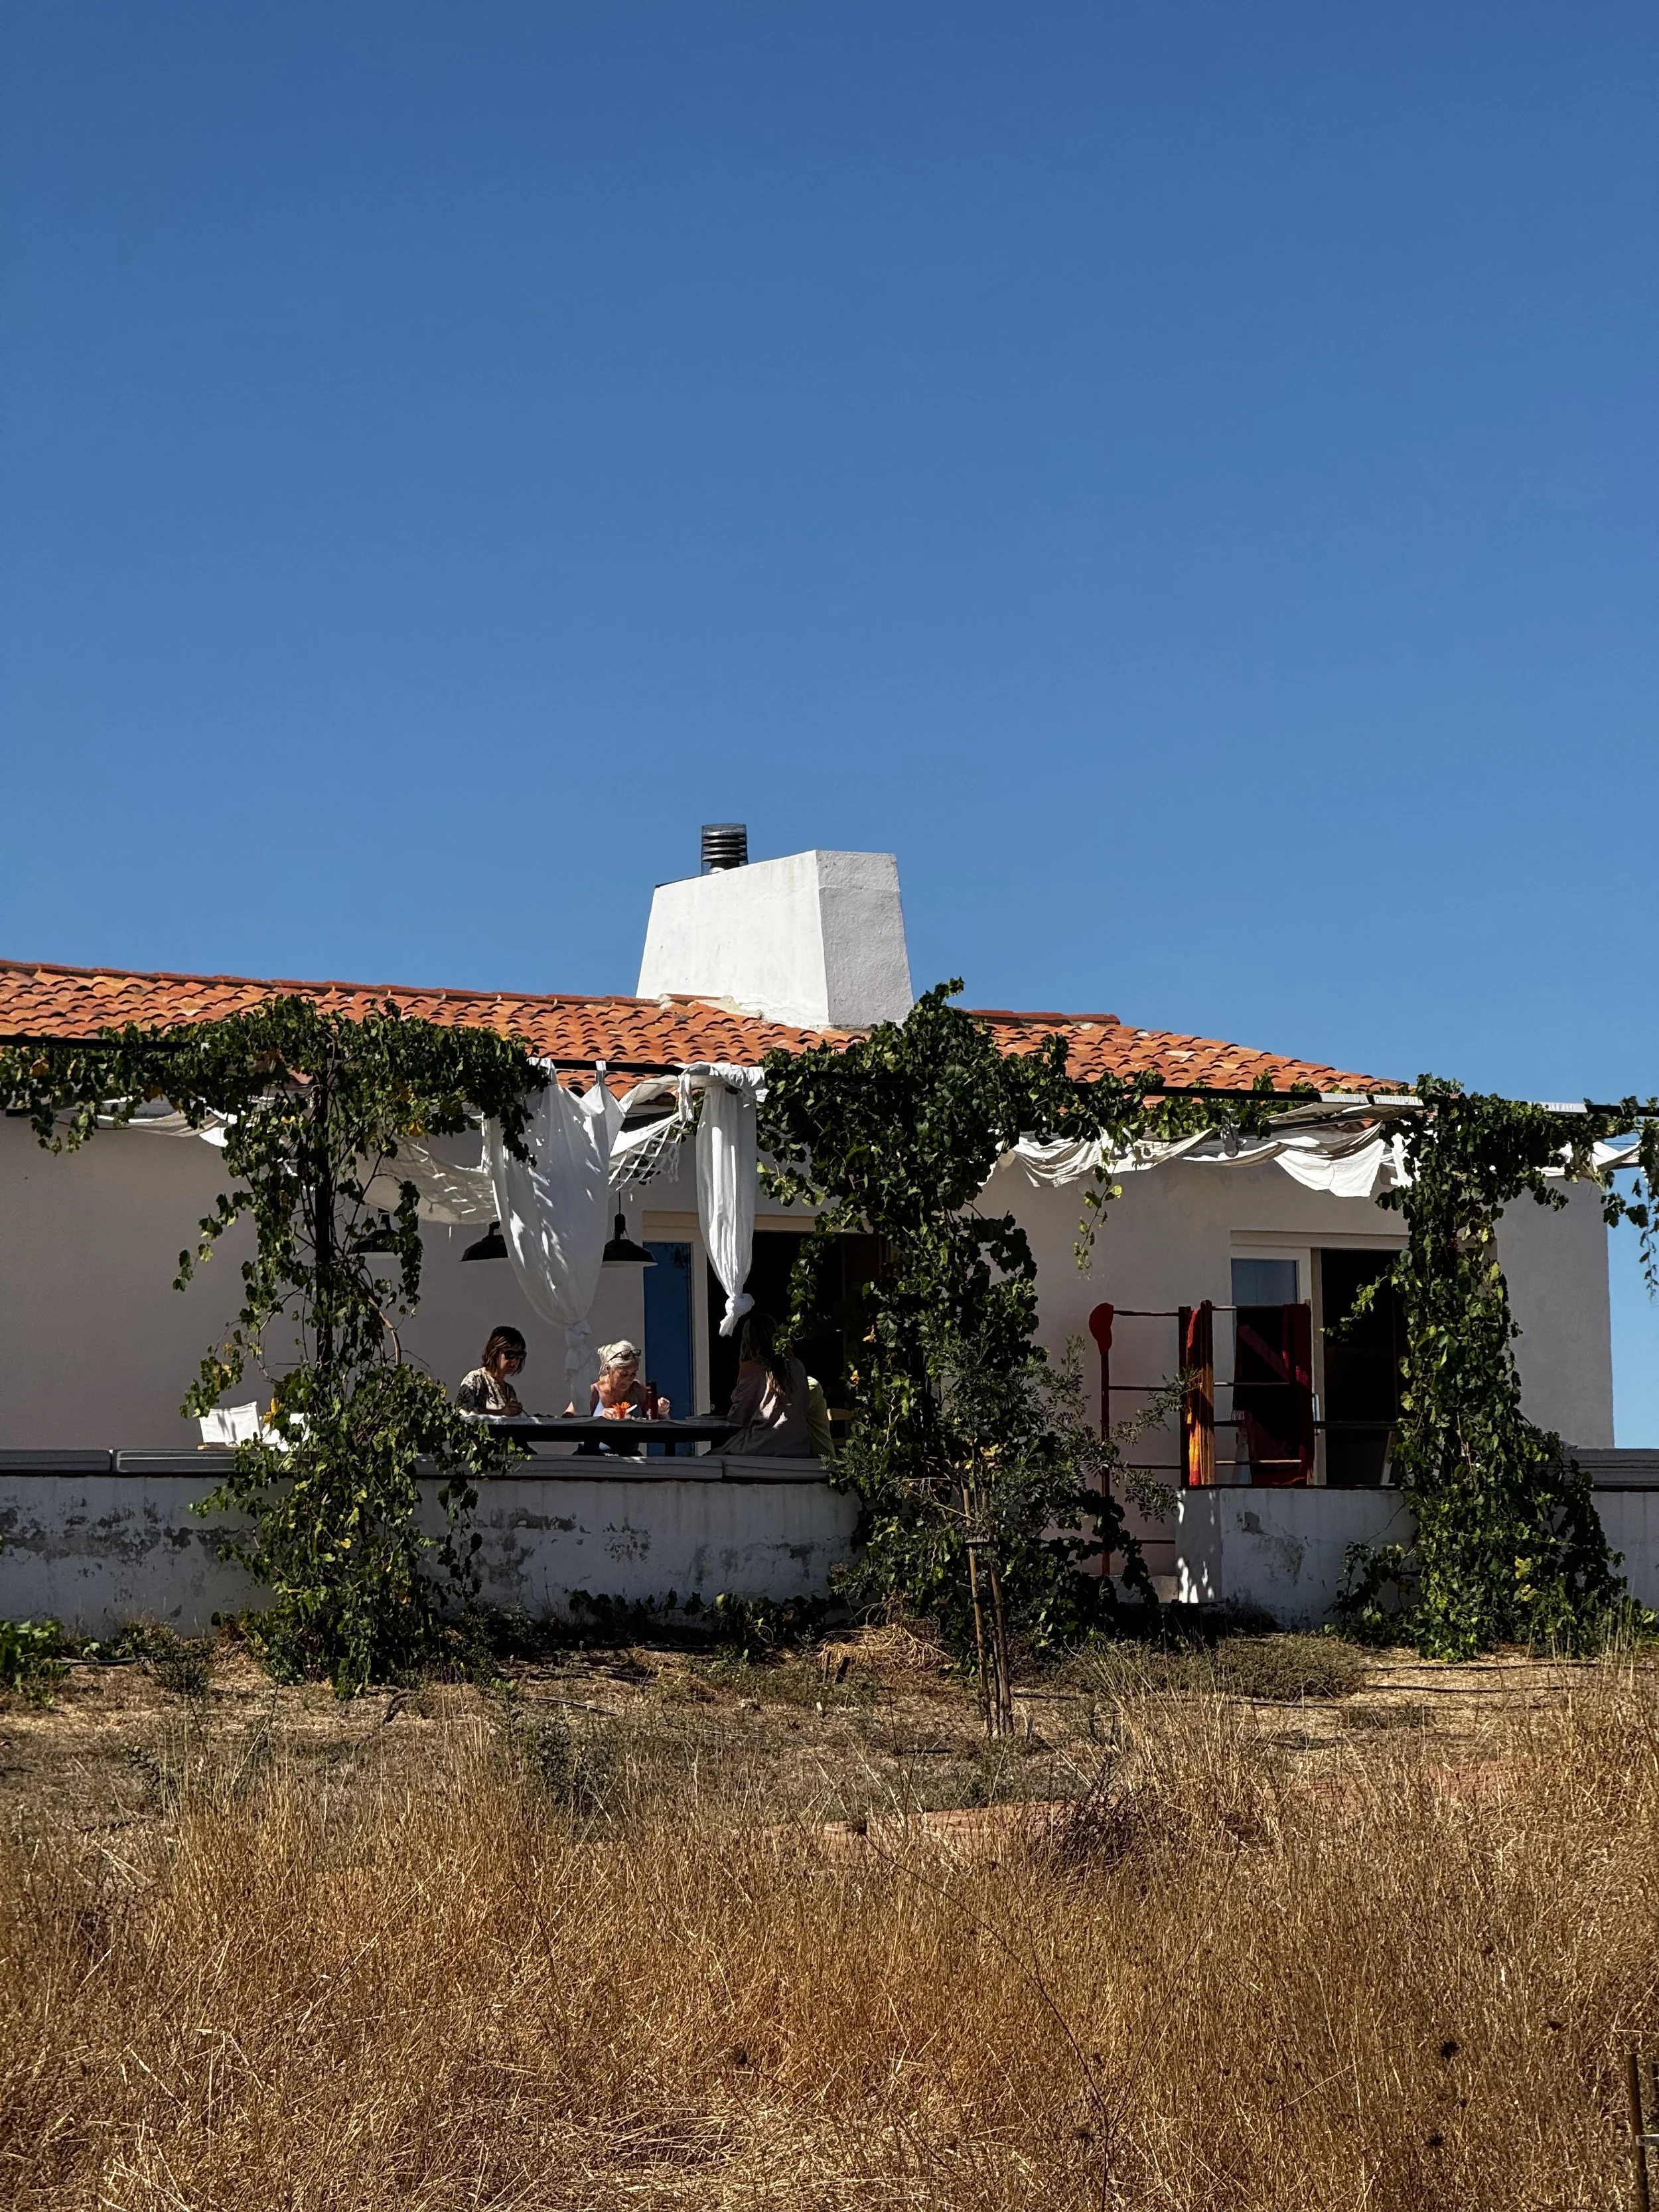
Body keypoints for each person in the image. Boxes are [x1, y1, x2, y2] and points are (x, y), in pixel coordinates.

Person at [722, 1311, 817, 1457]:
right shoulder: (797, 1365)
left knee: (709, 1459)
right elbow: (804, 1406)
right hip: (798, 1447)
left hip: (763, 1446)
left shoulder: (752, 1367)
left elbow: (738, 1417)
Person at [565, 1340, 671, 1422]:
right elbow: (566, 1421)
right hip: (592, 1451)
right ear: (609, 1369)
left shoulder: (636, 1389)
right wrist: (597, 1419)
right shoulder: (592, 1392)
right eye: (624, 1374)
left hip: (630, 1451)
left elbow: (658, 1425)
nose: (629, 1378)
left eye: (634, 1373)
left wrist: (662, 1411)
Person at [457, 1326, 526, 1416]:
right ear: (494, 1352)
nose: (515, 1360)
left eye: (519, 1355)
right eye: (510, 1354)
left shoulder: (510, 1390)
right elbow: (463, 1414)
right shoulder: (476, 1379)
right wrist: (501, 1413)